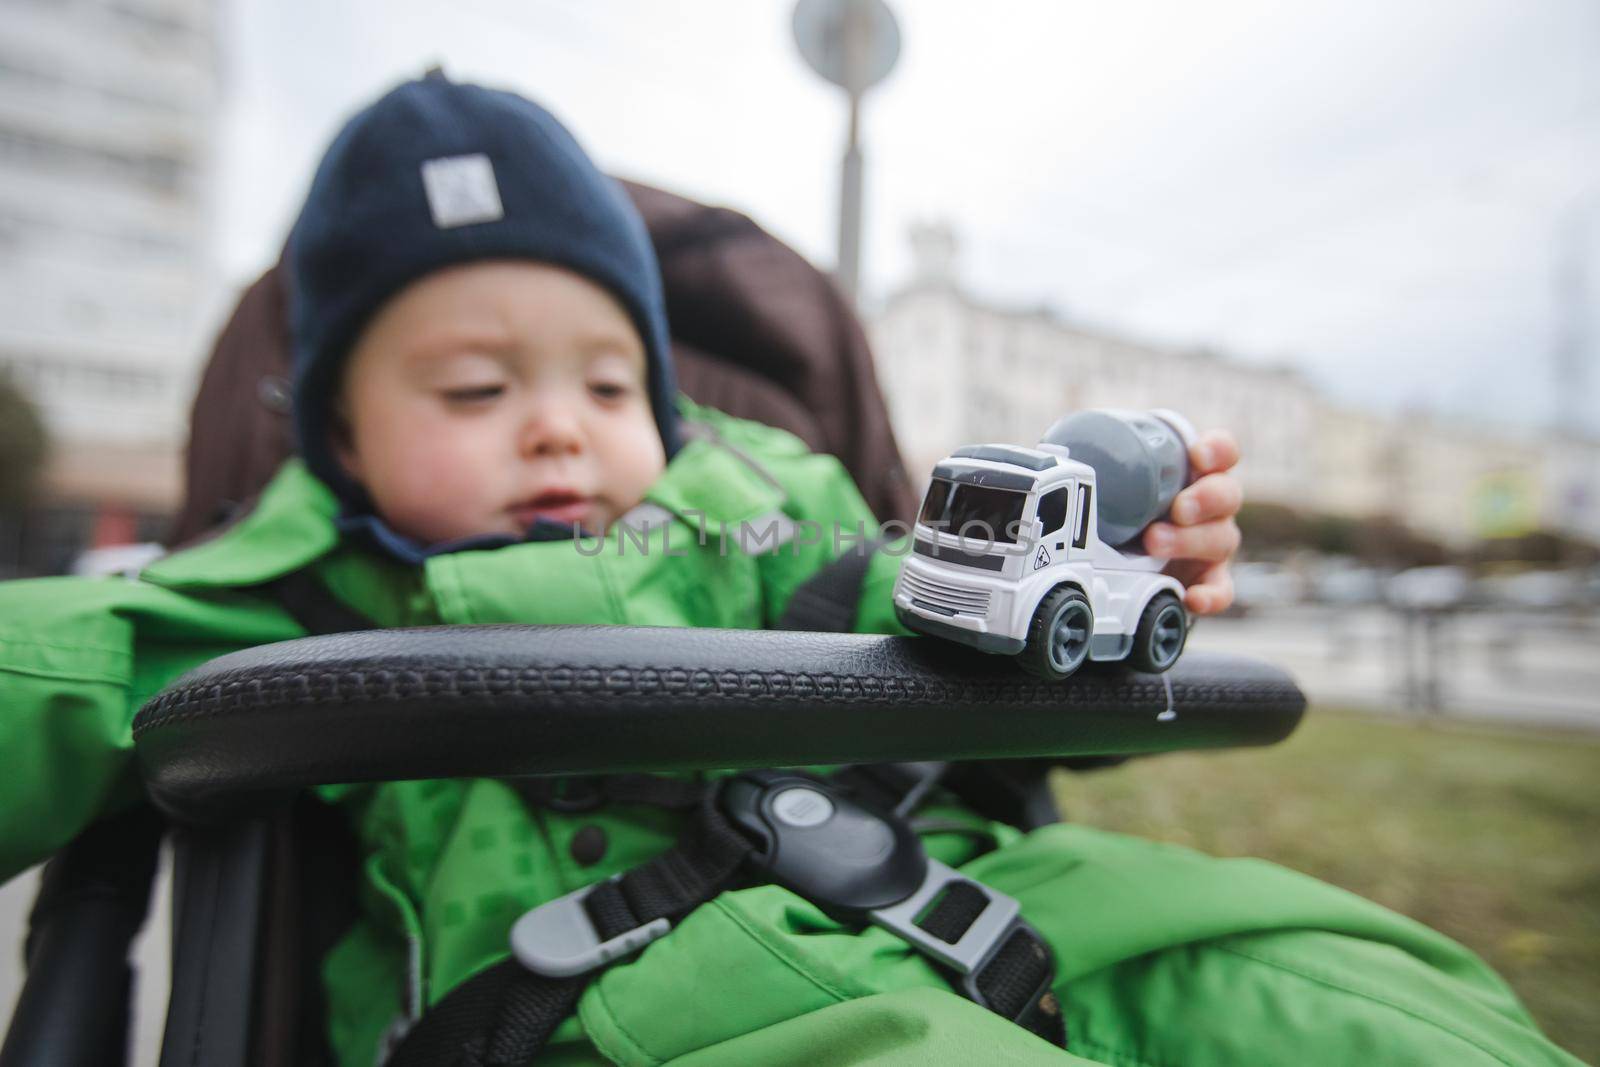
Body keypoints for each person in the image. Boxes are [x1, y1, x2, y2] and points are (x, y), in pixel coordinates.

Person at [0, 75, 1580, 1067]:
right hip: (619, 995)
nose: (557, 427)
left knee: (1345, 995)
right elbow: (48, 671)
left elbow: (970, 627)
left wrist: (1110, 589)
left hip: (1004, 891)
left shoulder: (772, 507)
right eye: (474, 393)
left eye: (611, 388)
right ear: (337, 439)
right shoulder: (288, 589)